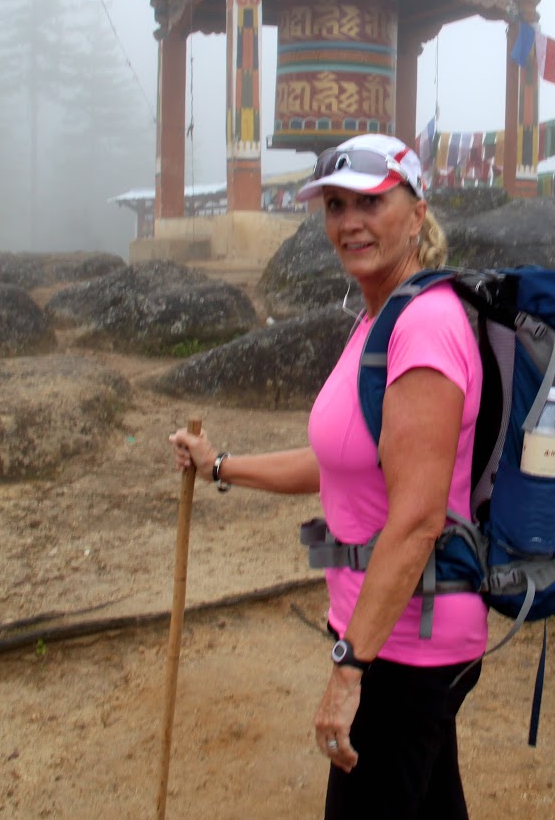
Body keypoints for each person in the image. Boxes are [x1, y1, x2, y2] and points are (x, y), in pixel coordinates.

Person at [169, 133, 486, 819]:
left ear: (417, 212)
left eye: (370, 202)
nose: (349, 222)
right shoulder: (379, 319)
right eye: (335, 205)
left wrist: (349, 669)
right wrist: (220, 465)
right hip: (393, 635)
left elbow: (418, 519)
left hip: (405, 649)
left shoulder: (425, 328)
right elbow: (341, 459)